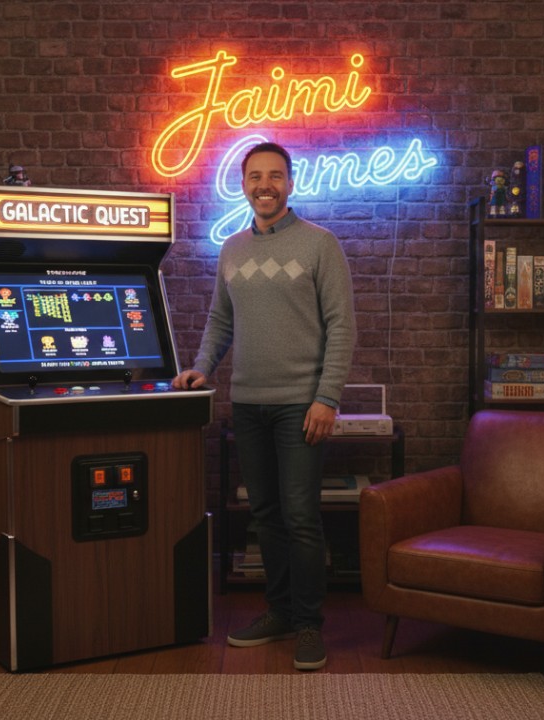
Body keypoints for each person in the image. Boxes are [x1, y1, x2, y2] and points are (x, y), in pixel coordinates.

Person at [173, 141, 355, 671]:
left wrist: (328, 398)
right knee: (266, 514)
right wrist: (203, 367)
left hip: (301, 406)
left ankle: (307, 626)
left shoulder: (321, 246)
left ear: (291, 184)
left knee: (301, 517)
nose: (265, 185)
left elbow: (342, 327)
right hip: (247, 404)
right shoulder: (231, 249)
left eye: (275, 176)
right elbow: (219, 322)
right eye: (255, 176)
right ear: (244, 184)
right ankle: (277, 613)